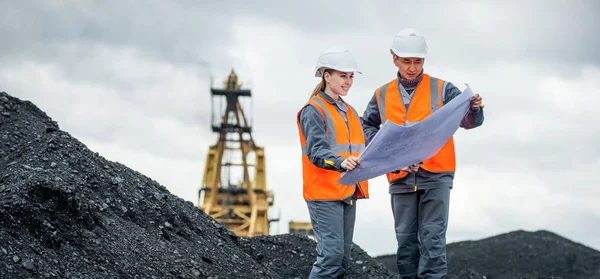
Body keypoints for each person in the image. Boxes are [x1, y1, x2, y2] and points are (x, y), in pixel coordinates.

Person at [361, 28, 484, 279]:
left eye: (418, 61)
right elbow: (367, 125)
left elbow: (469, 121)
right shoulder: (382, 94)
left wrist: (474, 109)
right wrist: (388, 154)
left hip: (437, 174)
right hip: (401, 177)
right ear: (394, 58)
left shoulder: (443, 89)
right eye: (406, 61)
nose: (412, 67)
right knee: (406, 242)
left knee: (433, 238)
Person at [296, 47, 370, 279]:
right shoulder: (313, 110)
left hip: (347, 191)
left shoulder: (350, 112)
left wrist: (398, 163)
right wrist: (340, 163)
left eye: (351, 77)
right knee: (330, 259)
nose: (348, 82)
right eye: (343, 76)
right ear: (326, 76)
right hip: (324, 194)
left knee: (342, 261)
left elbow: (366, 150)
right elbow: (316, 151)